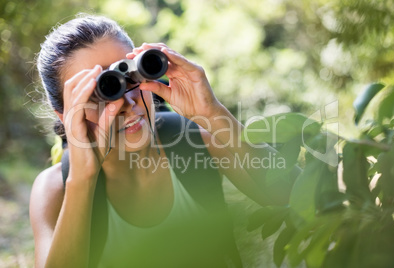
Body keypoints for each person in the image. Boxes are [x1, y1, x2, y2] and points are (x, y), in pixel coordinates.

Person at [29, 14, 282, 268]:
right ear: (65, 114)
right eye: (101, 92)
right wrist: (82, 179)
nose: (126, 104)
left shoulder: (196, 141)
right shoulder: (54, 191)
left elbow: (291, 196)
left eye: (129, 79)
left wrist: (212, 113)